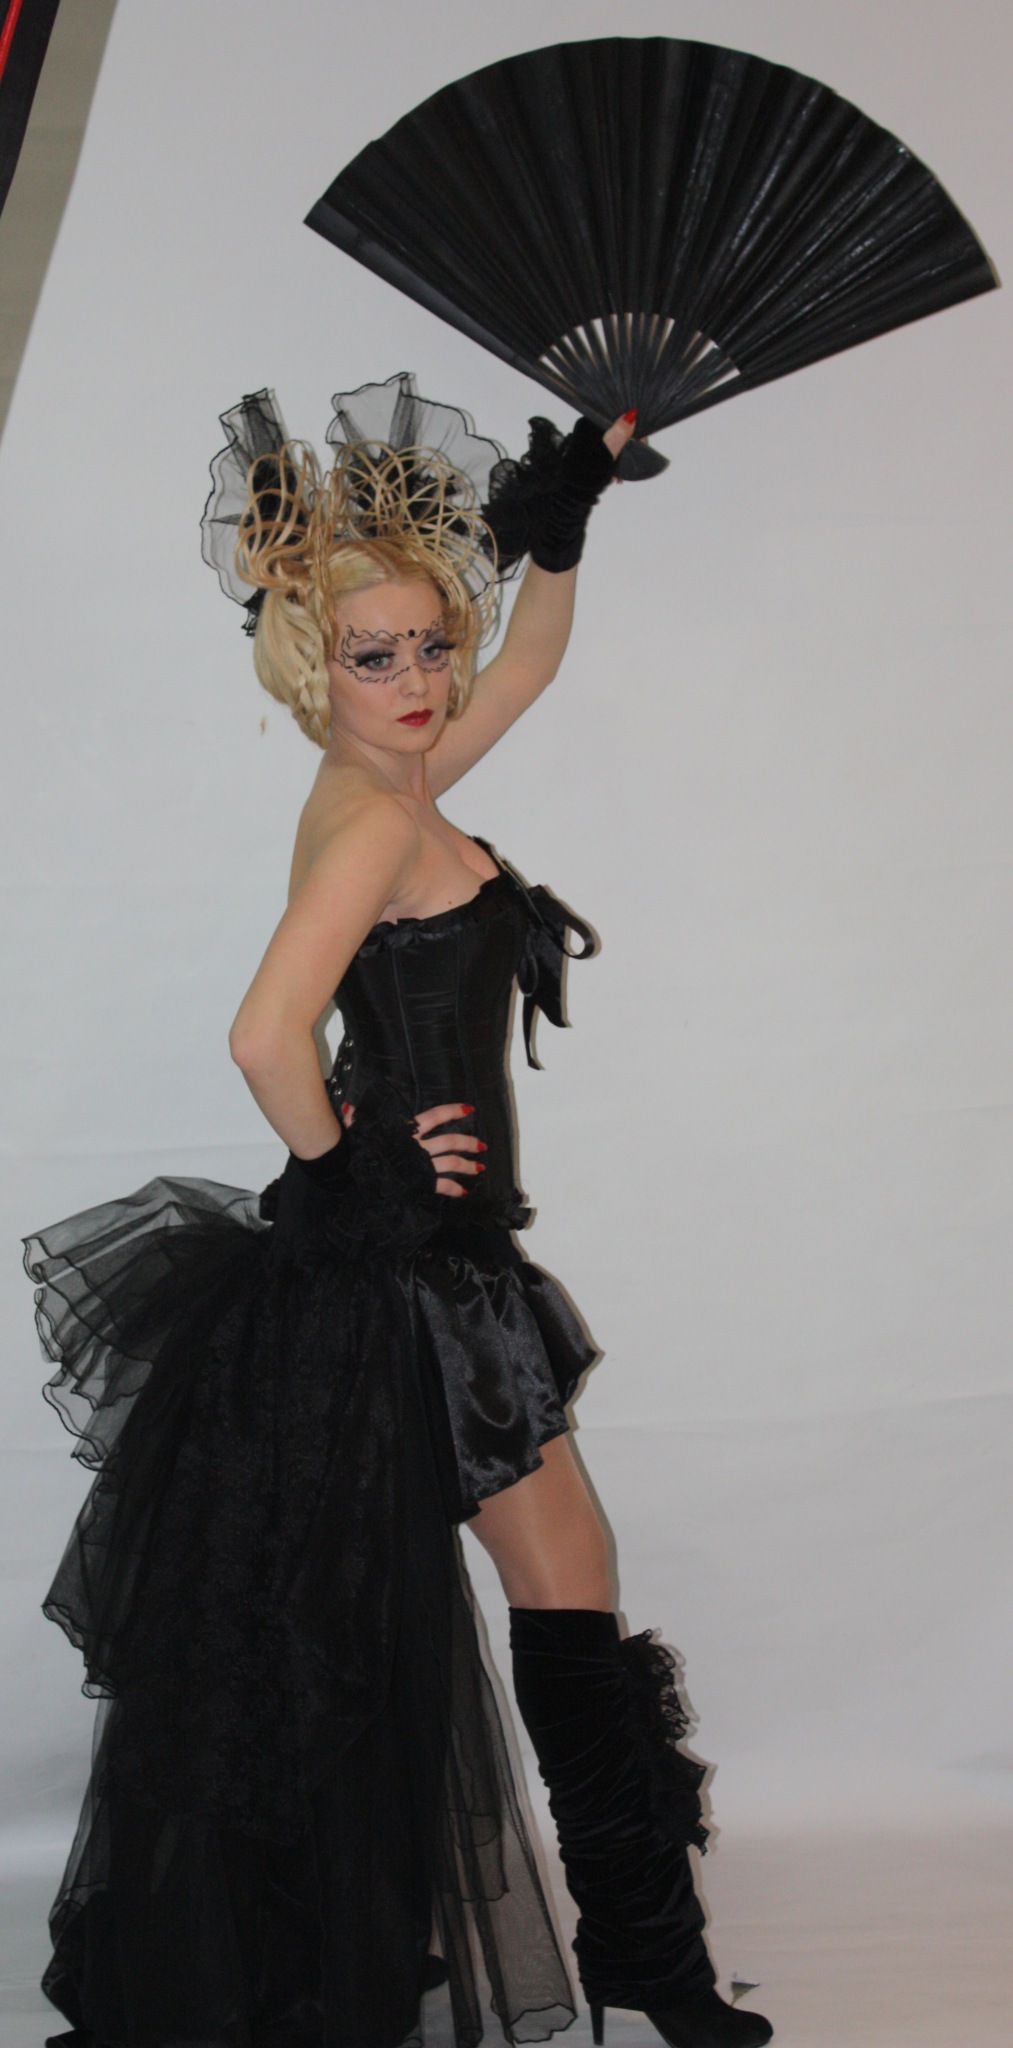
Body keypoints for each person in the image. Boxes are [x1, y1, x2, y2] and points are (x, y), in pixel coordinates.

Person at [25, 378, 773, 2048]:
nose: (422, 679)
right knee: (545, 1598)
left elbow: (530, 668)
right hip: (411, 1283)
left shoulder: (400, 771)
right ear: (315, 666)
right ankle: (644, 1965)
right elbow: (262, 1034)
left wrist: (559, 528)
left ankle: (608, 1957)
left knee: (417, 1622)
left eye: (430, 644)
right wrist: (346, 1168)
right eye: (376, 656)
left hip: (427, 1275)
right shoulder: (371, 817)